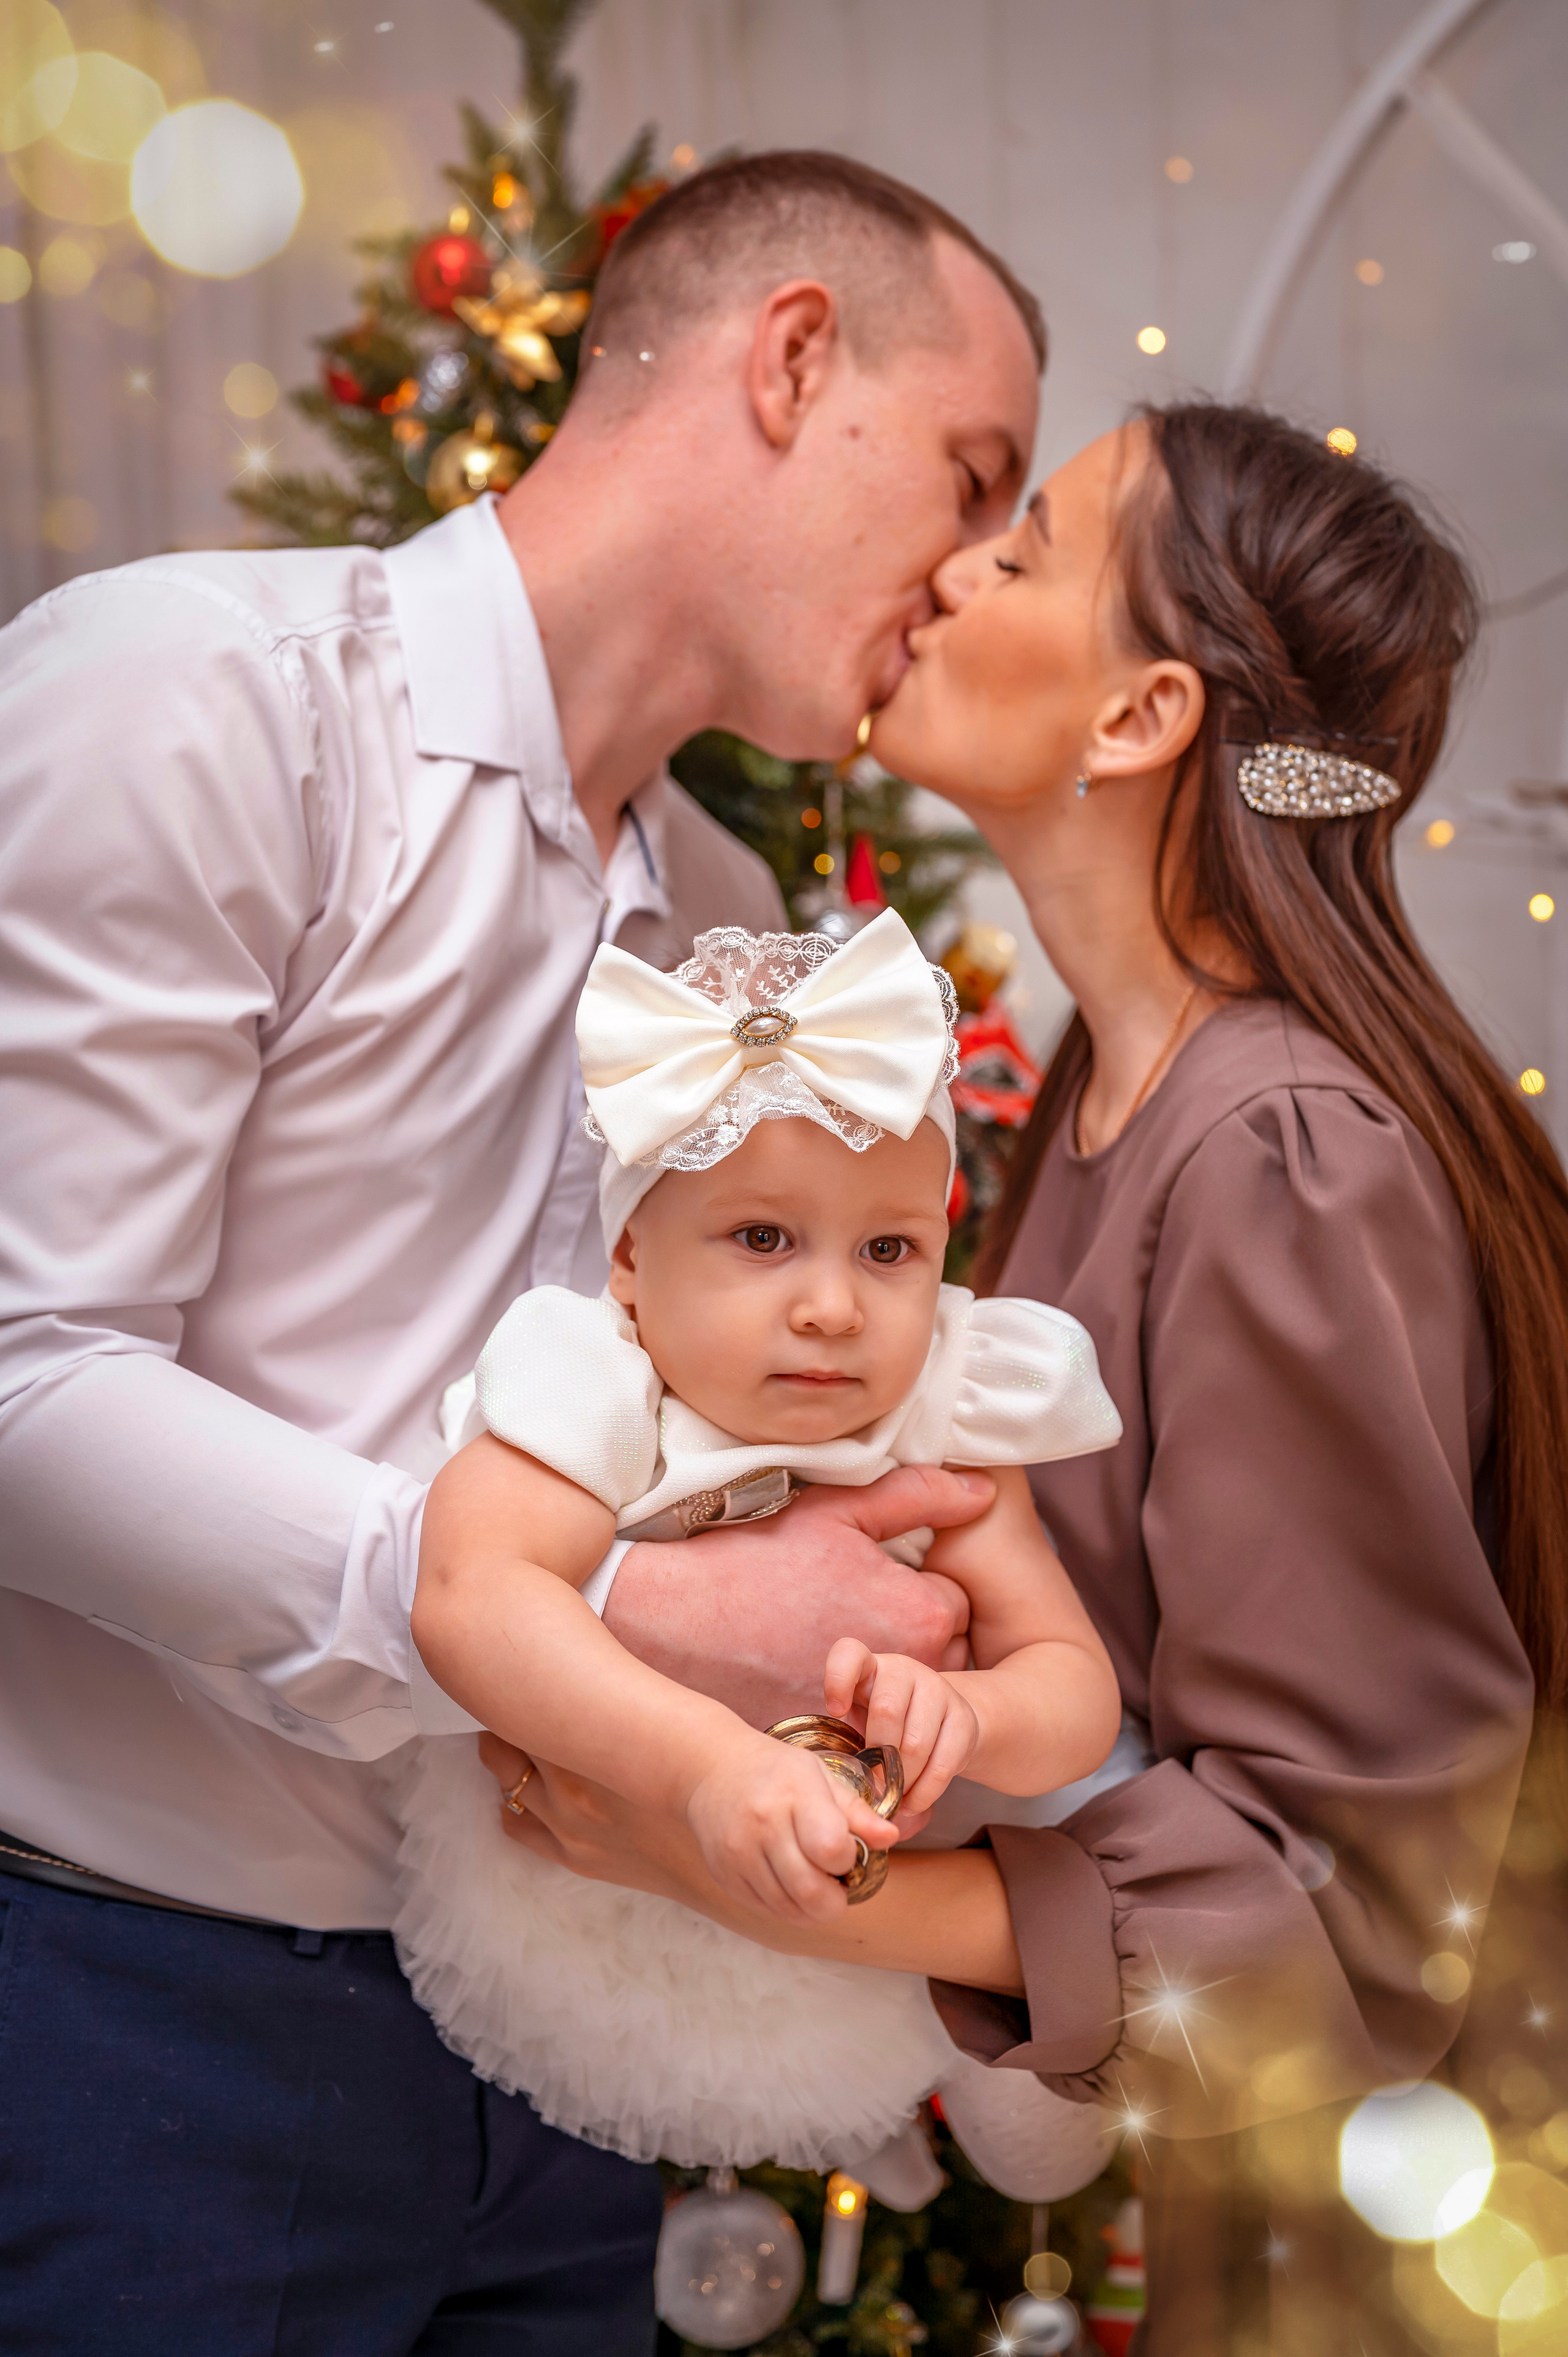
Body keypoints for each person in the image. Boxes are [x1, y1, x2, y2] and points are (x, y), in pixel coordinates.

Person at [0, 153, 1042, 2351]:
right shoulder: (208, 699)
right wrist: (599, 1611)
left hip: (565, 2013)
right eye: (973, 475)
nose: (968, 580)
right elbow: (22, 1371)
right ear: (788, 359)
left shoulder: (726, 903)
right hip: (136, 2007)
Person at [481, 403, 1568, 2348]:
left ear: (1143, 717)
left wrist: (751, 1866)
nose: (954, 563)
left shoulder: (1281, 1153)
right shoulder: (1099, 1095)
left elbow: (1367, 1891)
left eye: (1030, 543)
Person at [398, 908, 1125, 2184]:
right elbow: (468, 1594)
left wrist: (968, 1709)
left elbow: (1072, 1685)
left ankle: (982, 2091)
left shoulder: (940, 1415)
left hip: (858, 1954)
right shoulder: (601, 1388)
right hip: (585, 1908)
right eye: (761, 1238)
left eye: (888, 1248)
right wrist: (698, 1768)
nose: (834, 1304)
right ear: (629, 1255)